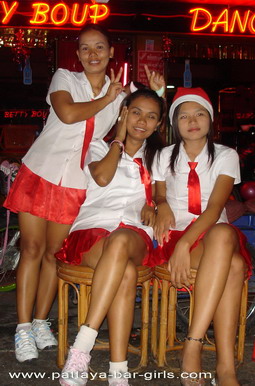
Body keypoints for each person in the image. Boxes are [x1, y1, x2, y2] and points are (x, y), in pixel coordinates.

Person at [3, 23, 164, 363]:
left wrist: (159, 93)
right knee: (31, 249)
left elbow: (144, 116)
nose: (93, 54)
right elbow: (68, 112)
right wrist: (108, 98)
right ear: (78, 55)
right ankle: (21, 329)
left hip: (76, 182)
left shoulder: (121, 92)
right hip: (41, 171)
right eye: (86, 48)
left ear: (110, 54)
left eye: (100, 48)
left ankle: (40, 321)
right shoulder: (66, 78)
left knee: (52, 254)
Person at [55, 88, 166, 386]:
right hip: (92, 230)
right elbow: (102, 177)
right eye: (136, 112)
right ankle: (119, 371)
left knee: (120, 241)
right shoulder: (98, 147)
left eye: (151, 116)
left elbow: (164, 196)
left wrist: (155, 205)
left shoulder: (160, 159)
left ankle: (81, 347)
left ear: (158, 125)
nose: (142, 121)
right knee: (126, 273)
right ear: (123, 113)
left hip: (133, 234)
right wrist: (118, 139)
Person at [152, 87, 252, 386]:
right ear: (175, 123)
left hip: (211, 235)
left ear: (210, 119)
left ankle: (193, 344)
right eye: (183, 115)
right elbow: (157, 192)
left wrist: (184, 244)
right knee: (233, 267)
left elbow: (214, 207)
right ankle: (225, 366)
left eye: (199, 113)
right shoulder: (164, 155)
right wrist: (163, 204)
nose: (192, 120)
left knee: (221, 231)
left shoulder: (226, 155)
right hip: (178, 235)